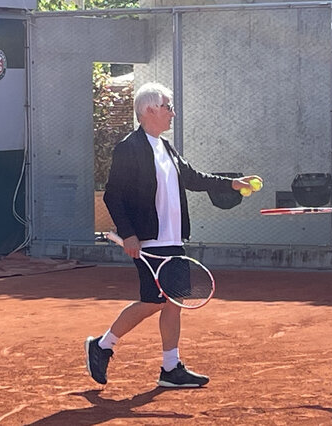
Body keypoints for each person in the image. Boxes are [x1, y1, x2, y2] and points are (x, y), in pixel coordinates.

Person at [85, 82, 260, 387]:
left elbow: (193, 178)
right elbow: (113, 195)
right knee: (153, 302)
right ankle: (102, 345)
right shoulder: (129, 147)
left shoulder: (166, 147)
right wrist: (128, 235)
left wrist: (233, 184)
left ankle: (170, 368)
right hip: (148, 241)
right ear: (149, 109)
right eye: (168, 107)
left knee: (174, 301)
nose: (172, 113)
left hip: (174, 239)